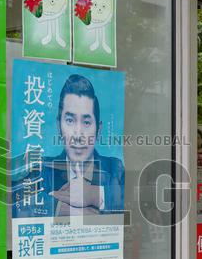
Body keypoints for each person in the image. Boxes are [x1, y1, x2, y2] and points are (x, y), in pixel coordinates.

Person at [14, 73, 124, 219]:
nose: (78, 136)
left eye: (86, 122)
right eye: (70, 121)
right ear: (59, 126)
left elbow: (135, 202)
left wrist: (94, 194)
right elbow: (16, 202)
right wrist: (63, 209)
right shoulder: (42, 169)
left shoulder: (114, 168)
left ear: (98, 130)